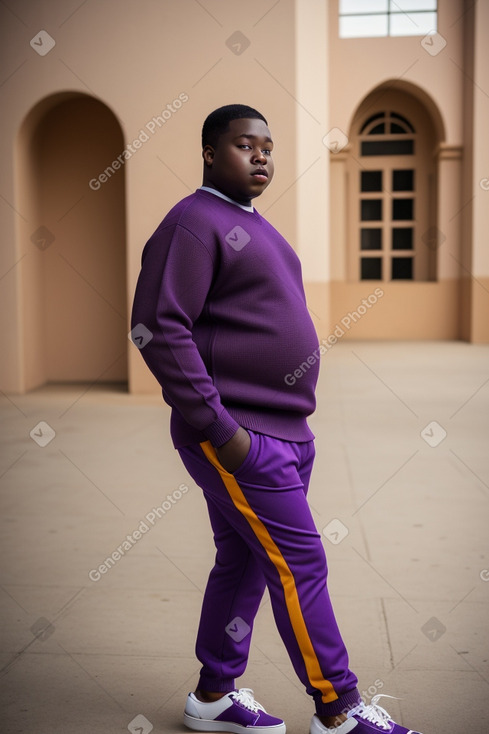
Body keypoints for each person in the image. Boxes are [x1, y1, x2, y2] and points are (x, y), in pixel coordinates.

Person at [131, 104, 423, 734]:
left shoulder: (256, 226)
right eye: (244, 145)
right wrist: (219, 429)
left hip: (286, 431)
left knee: (242, 560)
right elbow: (155, 326)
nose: (261, 156)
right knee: (301, 564)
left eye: (268, 146)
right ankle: (338, 708)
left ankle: (213, 695)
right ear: (210, 153)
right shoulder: (192, 221)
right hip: (241, 436)